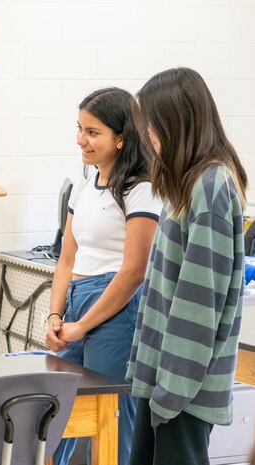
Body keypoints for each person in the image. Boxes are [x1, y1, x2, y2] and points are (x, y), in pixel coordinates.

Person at [127, 67, 248, 465]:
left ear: (177, 125)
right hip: (162, 383)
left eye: (153, 129)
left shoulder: (211, 187)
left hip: (182, 394)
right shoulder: (187, 185)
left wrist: (170, 393)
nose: (150, 139)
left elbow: (198, 308)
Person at [44, 87, 162, 465]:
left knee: (111, 421)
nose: (82, 139)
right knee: (57, 416)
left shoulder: (141, 189)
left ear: (121, 137)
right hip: (77, 298)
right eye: (79, 128)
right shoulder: (85, 184)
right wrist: (55, 315)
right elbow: (66, 259)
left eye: (92, 132)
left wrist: (82, 326)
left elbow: (133, 272)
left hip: (116, 307)